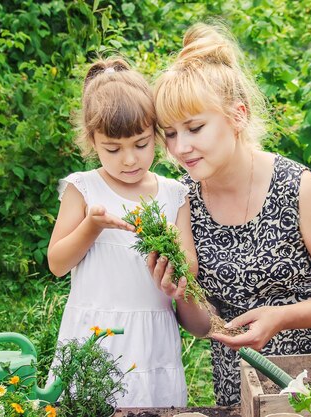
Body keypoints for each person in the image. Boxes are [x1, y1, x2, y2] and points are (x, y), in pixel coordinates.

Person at [147, 23, 311, 406]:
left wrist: (281, 316)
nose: (181, 147)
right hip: (241, 389)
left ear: (238, 116)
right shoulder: (183, 200)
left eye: (195, 128)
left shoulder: (297, 187)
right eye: (170, 133)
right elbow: (204, 326)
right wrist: (179, 294)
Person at [46, 58, 203, 407]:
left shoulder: (173, 193)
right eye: (113, 150)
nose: (129, 160)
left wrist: (174, 271)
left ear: (156, 135)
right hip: (94, 336)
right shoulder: (83, 189)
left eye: (141, 144)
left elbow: (188, 263)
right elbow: (57, 263)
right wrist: (90, 227)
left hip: (152, 338)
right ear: (92, 142)